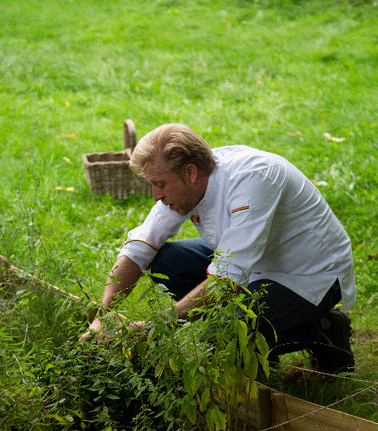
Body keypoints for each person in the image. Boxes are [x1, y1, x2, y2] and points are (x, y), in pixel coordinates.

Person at [81, 123, 356, 374]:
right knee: (166, 262)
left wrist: (155, 326)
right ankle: (254, 342)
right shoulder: (188, 183)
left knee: (222, 334)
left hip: (308, 274)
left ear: (190, 172)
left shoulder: (254, 179)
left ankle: (323, 330)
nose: (156, 195)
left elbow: (227, 279)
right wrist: (104, 311)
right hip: (252, 260)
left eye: (160, 184)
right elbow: (142, 245)